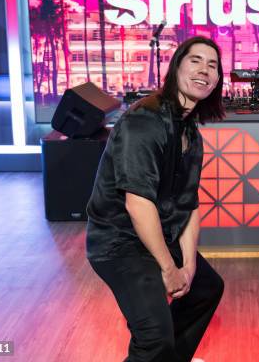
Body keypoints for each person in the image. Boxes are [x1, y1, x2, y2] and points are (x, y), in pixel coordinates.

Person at [86, 36, 225, 362]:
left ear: (218, 79)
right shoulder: (144, 122)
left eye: (213, 65)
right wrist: (168, 268)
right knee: (153, 337)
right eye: (196, 60)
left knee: (206, 288)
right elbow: (138, 204)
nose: (204, 69)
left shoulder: (191, 132)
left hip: (159, 234)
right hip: (120, 244)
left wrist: (189, 265)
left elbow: (189, 204)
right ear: (176, 67)